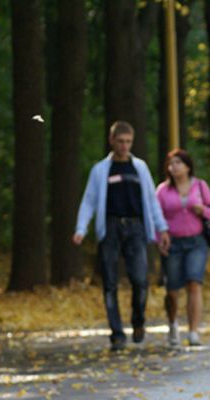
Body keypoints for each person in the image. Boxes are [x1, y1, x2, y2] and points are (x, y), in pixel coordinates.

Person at [73, 121, 170, 351]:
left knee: (140, 279)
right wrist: (81, 228)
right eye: (121, 141)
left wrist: (162, 227)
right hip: (111, 227)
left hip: (136, 228)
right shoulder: (100, 170)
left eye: (128, 142)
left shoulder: (140, 168)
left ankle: (138, 321)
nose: (125, 146)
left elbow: (151, 200)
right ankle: (116, 333)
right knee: (110, 282)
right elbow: (89, 201)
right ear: (112, 141)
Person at [156, 149, 210, 347]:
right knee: (172, 290)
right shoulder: (162, 191)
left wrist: (203, 210)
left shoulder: (200, 186)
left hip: (196, 242)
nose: (173, 167)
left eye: (177, 163)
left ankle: (193, 331)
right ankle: (173, 323)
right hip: (172, 242)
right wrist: (160, 239)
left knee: (194, 283)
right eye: (170, 163)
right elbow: (156, 218)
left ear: (187, 166)